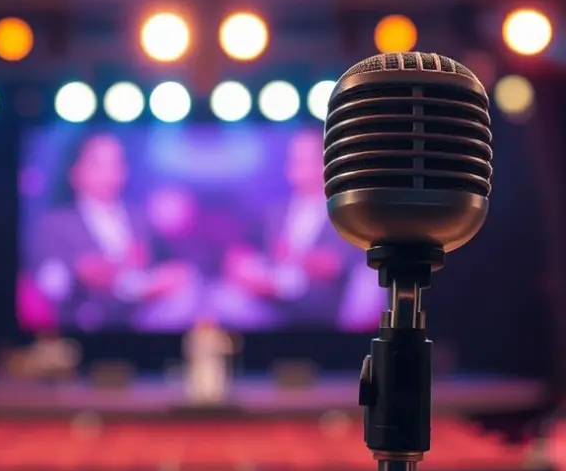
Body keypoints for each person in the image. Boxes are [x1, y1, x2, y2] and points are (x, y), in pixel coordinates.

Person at [29, 133, 200, 331]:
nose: (110, 173)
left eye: (116, 163)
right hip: (87, 324)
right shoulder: (55, 223)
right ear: (76, 171)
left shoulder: (140, 218)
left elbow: (167, 264)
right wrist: (77, 274)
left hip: (148, 320)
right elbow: (49, 285)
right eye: (99, 164)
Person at [217, 129, 377, 329]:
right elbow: (247, 253)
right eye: (293, 159)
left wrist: (292, 263)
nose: (296, 166)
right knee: (225, 298)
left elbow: (336, 265)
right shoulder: (275, 212)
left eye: (305, 159)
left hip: (323, 305)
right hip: (270, 301)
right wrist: (244, 266)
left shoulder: (344, 212)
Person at [183, 316, 234, 404]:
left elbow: (227, 348)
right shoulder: (194, 335)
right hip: (199, 363)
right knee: (198, 383)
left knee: (214, 384)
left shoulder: (218, 335)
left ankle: (214, 402)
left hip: (214, 363)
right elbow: (189, 349)